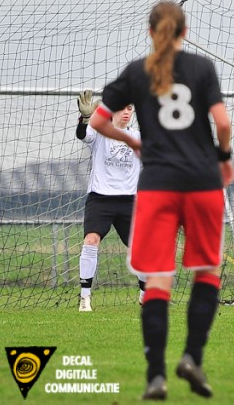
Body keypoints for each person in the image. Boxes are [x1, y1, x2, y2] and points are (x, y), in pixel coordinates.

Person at [89, 0, 234, 400]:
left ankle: (156, 375)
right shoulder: (202, 69)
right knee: (207, 270)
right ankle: (191, 356)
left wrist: (133, 139)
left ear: (150, 33)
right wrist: (223, 159)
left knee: (158, 277)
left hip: (157, 185)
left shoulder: (136, 72)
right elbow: (222, 123)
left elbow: (98, 121)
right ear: (184, 33)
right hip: (202, 183)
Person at [75, 90, 146, 312]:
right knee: (91, 241)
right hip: (100, 199)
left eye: (129, 108)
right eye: (122, 108)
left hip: (129, 202)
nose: (126, 112)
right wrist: (85, 118)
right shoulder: (100, 132)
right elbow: (82, 134)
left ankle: (145, 294)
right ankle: (85, 297)